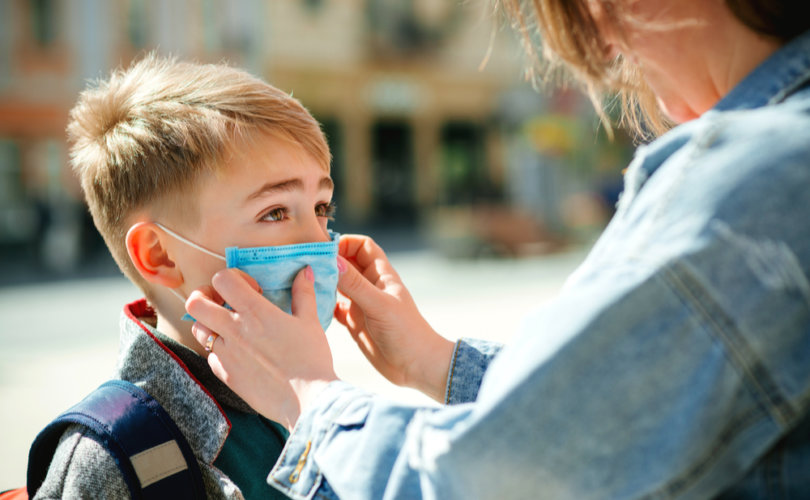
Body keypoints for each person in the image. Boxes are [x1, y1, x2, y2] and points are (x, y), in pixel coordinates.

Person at [186, 1, 810, 498]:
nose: (608, 48)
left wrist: (309, 393)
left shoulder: (753, 176)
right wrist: (433, 361)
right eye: (274, 211)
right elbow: (609, 417)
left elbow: (487, 482)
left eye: (320, 208)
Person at [36, 53, 338, 499]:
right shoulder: (114, 457)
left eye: (321, 208)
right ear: (159, 255)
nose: (320, 242)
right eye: (275, 212)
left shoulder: (301, 388)